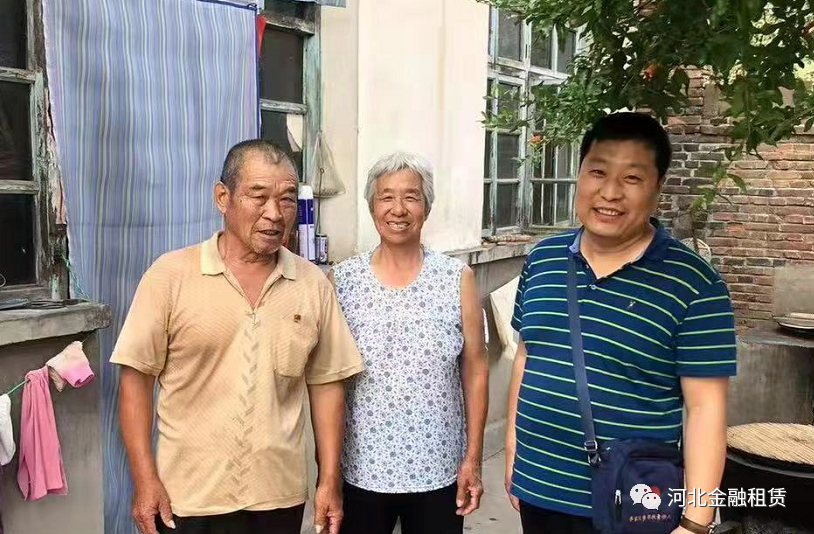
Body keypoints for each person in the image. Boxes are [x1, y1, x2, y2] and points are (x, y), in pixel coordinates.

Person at [113, 140, 364, 534]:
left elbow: (327, 384)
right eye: (258, 196)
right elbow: (135, 381)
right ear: (223, 197)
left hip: (278, 496)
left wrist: (328, 479)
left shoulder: (312, 284)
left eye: (286, 199)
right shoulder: (171, 276)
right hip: (188, 497)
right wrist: (145, 480)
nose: (274, 213)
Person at [506, 113, 737, 534]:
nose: (610, 192)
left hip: (634, 503)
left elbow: (706, 409)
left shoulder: (695, 285)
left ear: (657, 187)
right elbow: (526, 356)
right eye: (598, 172)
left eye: (631, 178)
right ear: (579, 174)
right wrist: (512, 456)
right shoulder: (542, 259)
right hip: (539, 491)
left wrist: (696, 522)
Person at [331, 152, 489, 534]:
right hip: (362, 470)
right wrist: (329, 471)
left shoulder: (456, 278)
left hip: (439, 469)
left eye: (411, 197)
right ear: (372, 207)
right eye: (386, 197)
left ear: (427, 207)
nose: (398, 209)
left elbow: (475, 369)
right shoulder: (343, 280)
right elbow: (329, 380)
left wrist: (473, 458)